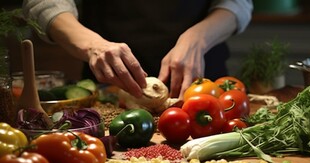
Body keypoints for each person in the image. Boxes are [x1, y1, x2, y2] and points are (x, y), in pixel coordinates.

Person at [22, 0, 253, 99]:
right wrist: (94, 45)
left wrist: (198, 38)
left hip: (202, 91)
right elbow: (42, 3)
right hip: (109, 89)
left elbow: (239, 2)